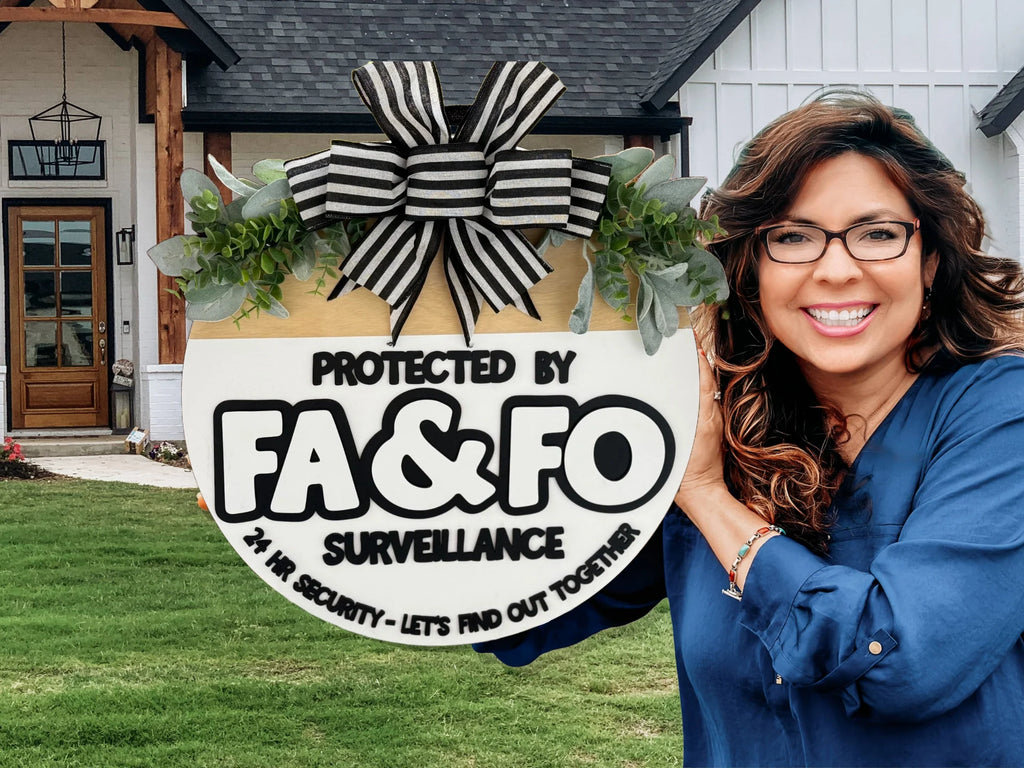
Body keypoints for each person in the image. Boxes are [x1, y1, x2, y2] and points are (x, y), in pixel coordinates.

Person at [477, 92, 1024, 767]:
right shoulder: (717, 419)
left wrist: (707, 496)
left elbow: (902, 660)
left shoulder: (1002, 415)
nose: (835, 269)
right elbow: (528, 602)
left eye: (878, 233)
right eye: (791, 237)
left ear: (930, 260)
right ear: (749, 269)